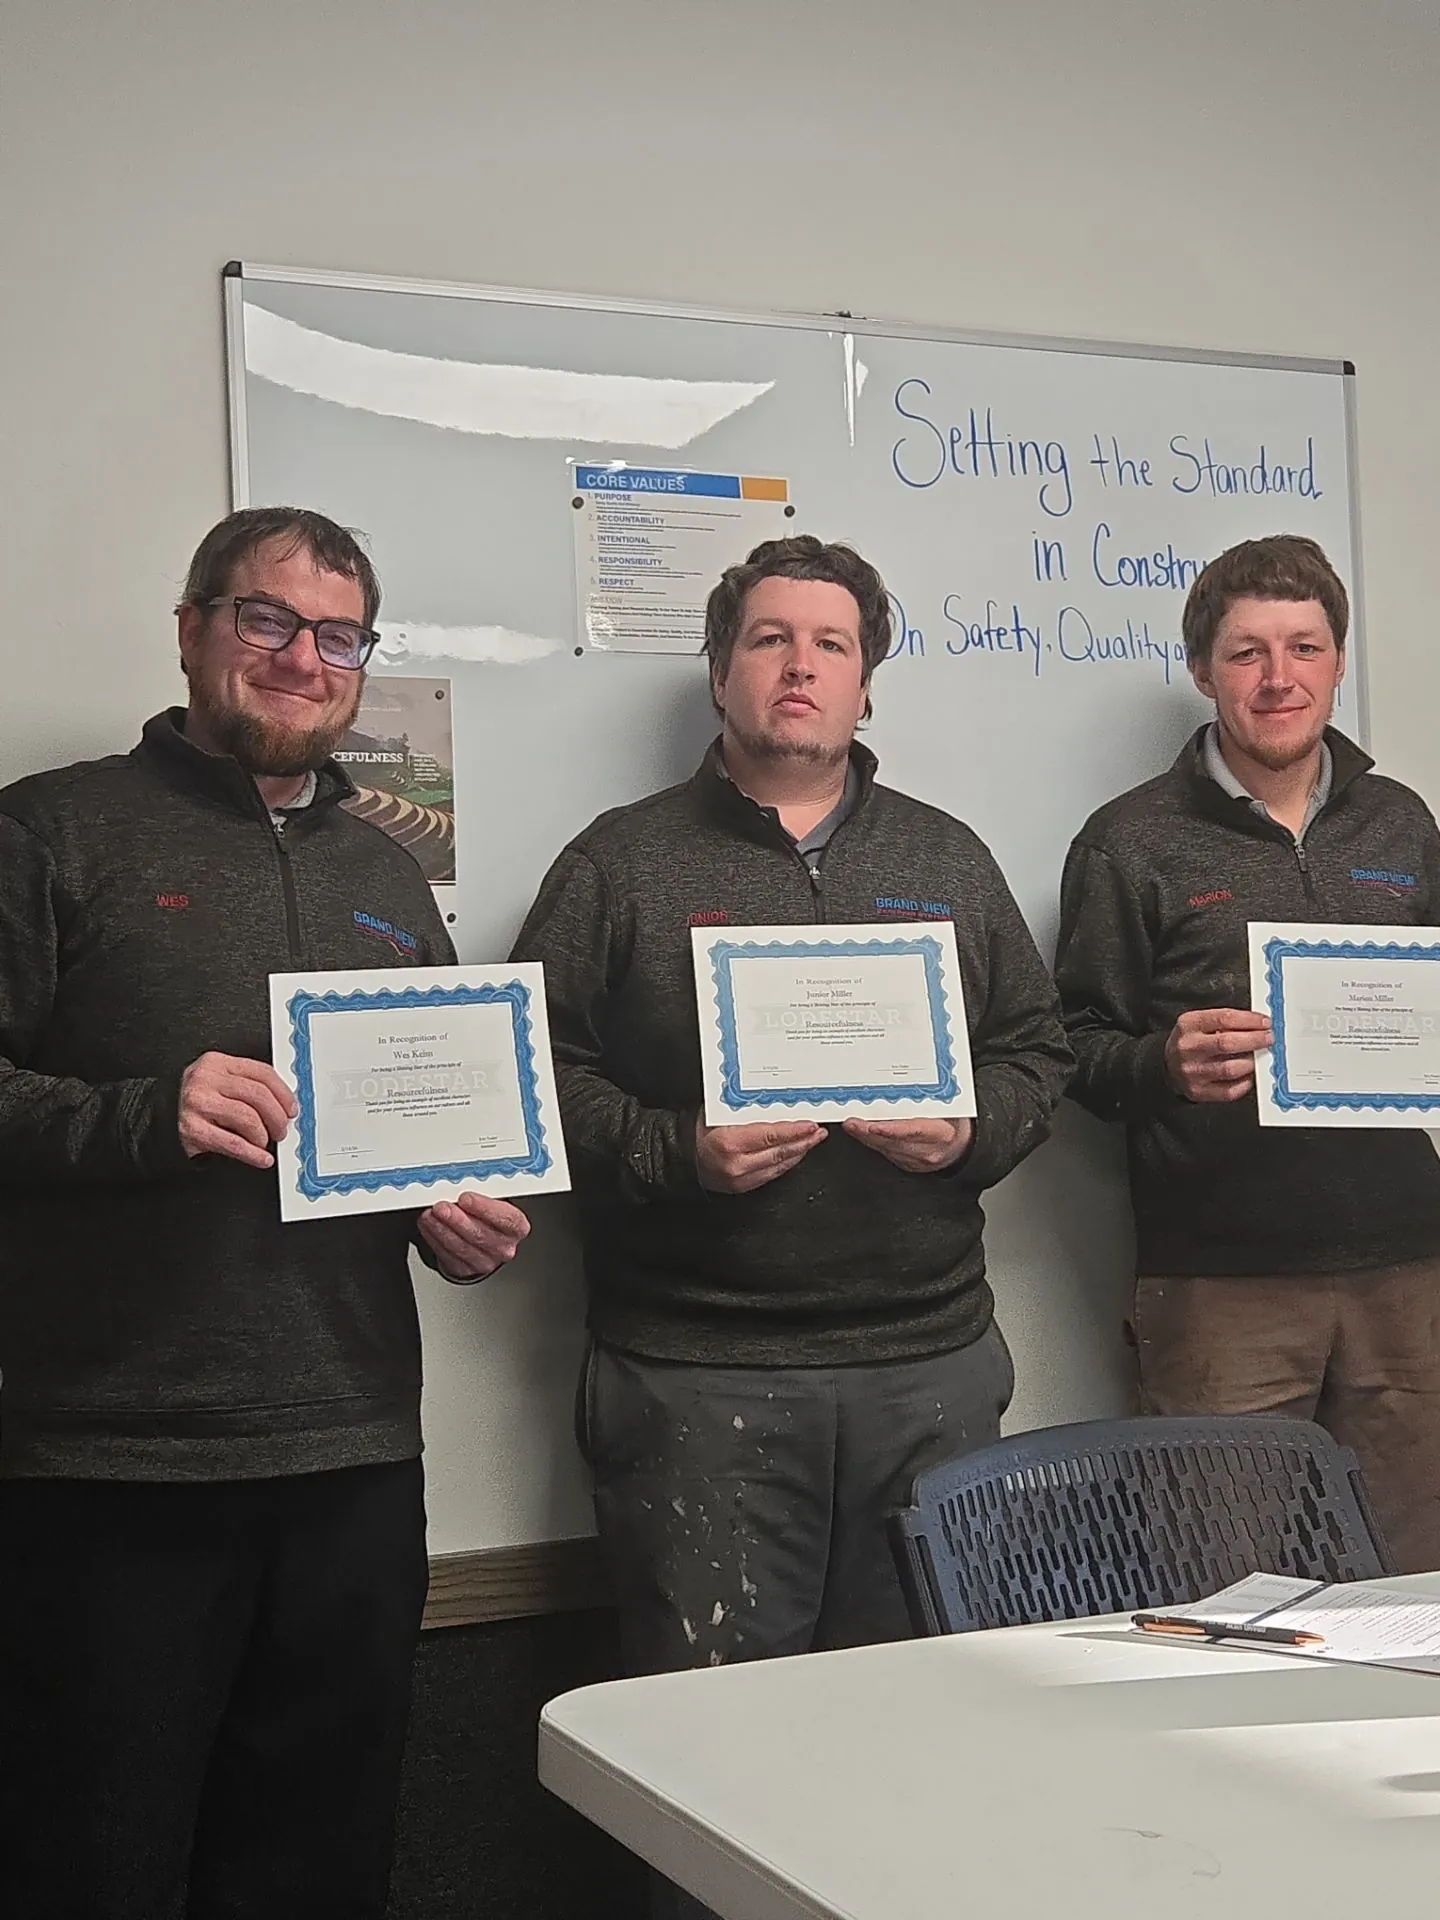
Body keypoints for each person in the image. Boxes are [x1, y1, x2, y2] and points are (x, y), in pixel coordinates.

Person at [0, 507, 530, 1920]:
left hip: (354, 1455)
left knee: (319, 1859)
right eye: (266, 620)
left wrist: (448, 1217)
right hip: (114, 1469)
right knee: (93, 1864)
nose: (304, 657)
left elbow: (422, 1126)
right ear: (193, 631)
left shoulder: (385, 875)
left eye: (339, 634)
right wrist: (140, 1112)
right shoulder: (50, 831)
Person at [512, 534, 1072, 1677]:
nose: (800, 667)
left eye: (832, 645)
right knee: (709, 1748)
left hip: (930, 1367)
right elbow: (531, 1073)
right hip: (696, 1380)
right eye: (770, 640)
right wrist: (676, 1151)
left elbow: (1037, 1051)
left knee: (920, 1718)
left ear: (867, 684)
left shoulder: (947, 857)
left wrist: (972, 1135)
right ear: (722, 673)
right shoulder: (616, 864)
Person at [1054, 533, 1440, 1571]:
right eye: (1247, 653)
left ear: (1339, 661)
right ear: (1201, 671)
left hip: (1411, 1276)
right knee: (1220, 1589)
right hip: (1221, 1286)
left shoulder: (1403, 825)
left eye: (1305, 648)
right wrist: (1161, 1065)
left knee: (1414, 1587)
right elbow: (1069, 1050)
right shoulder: (1127, 841)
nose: (1279, 679)